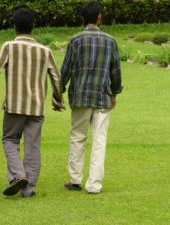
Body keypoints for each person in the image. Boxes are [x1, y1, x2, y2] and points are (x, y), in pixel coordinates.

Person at [0, 8, 65, 197]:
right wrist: (58, 100)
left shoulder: (9, 46)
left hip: (14, 105)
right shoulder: (45, 50)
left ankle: (18, 175)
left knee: (10, 139)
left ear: (14, 26)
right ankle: (29, 189)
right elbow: (57, 78)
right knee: (33, 146)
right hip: (37, 107)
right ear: (33, 26)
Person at [61, 1, 123, 194]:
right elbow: (116, 71)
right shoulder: (110, 41)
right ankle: (94, 185)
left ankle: (75, 179)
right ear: (99, 18)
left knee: (78, 137)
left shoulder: (76, 40)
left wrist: (59, 91)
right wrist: (114, 92)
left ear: (83, 19)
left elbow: (66, 70)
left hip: (80, 96)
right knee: (99, 140)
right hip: (103, 97)